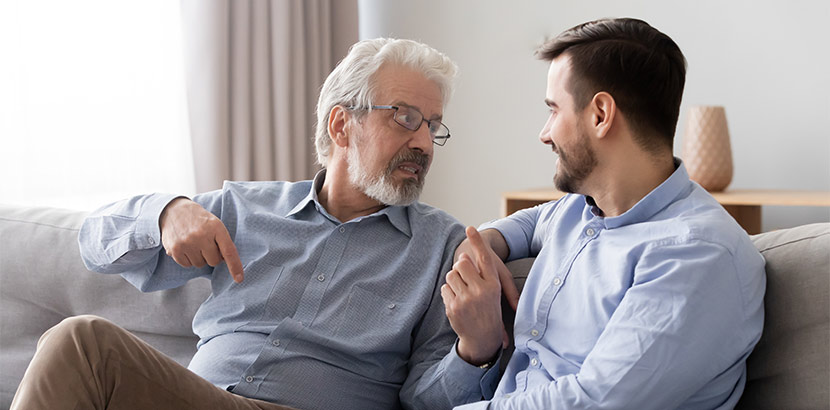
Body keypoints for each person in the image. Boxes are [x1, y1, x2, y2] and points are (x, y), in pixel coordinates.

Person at [10, 38, 503, 410]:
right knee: (75, 346)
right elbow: (94, 245)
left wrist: (475, 351)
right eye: (404, 116)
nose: (422, 141)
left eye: (432, 126)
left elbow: (424, 400)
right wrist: (165, 212)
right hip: (199, 397)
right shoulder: (246, 208)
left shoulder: (443, 246)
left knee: (84, 343)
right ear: (340, 125)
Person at [443, 18, 766, 409]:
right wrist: (484, 245)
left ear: (600, 114)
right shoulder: (583, 209)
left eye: (553, 110)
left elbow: (593, 401)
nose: (544, 133)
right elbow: (529, 223)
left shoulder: (695, 254)